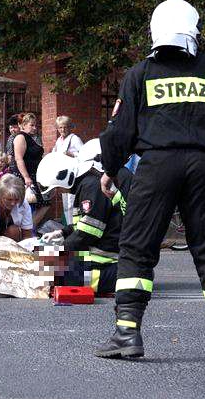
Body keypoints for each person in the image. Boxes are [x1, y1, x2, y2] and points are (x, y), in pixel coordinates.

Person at [95, 0, 205, 366]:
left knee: (137, 249)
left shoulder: (140, 74)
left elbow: (120, 130)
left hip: (155, 167)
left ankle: (127, 334)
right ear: (194, 29)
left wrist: (110, 168)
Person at [37, 142, 133, 295]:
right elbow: (86, 223)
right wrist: (62, 233)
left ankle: (118, 279)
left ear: (64, 177)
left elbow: (89, 232)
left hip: (106, 259)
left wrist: (62, 250)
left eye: (57, 188)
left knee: (51, 273)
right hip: (104, 253)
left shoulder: (91, 186)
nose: (60, 191)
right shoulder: (88, 183)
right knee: (45, 265)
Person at [10, 113, 50, 226]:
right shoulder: (20, 137)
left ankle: (28, 228)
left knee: (41, 203)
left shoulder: (30, 138)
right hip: (24, 176)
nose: (34, 128)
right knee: (37, 203)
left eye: (35, 125)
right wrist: (26, 177)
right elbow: (18, 158)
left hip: (33, 174)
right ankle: (27, 229)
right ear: (23, 125)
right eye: (31, 125)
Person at [0, 174, 34, 242]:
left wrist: (30, 249)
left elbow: (27, 234)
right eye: (9, 199)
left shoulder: (23, 203)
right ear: (0, 195)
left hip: (9, 240)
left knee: (13, 231)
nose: (13, 203)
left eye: (16, 199)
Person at [52, 116, 85, 224]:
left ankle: (73, 223)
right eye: (60, 127)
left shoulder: (74, 139)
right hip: (63, 174)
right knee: (66, 200)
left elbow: (84, 155)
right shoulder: (59, 140)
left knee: (72, 200)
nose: (63, 130)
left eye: (65, 127)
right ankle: (69, 223)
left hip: (73, 174)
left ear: (69, 127)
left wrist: (72, 154)